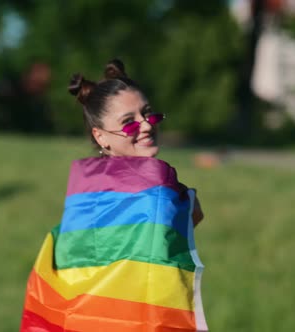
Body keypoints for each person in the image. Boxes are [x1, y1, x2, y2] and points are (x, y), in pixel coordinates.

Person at [20, 59, 208, 332]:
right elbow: (193, 216)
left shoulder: (82, 186)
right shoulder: (160, 189)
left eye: (149, 114)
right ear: (101, 136)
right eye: (129, 123)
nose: (145, 126)